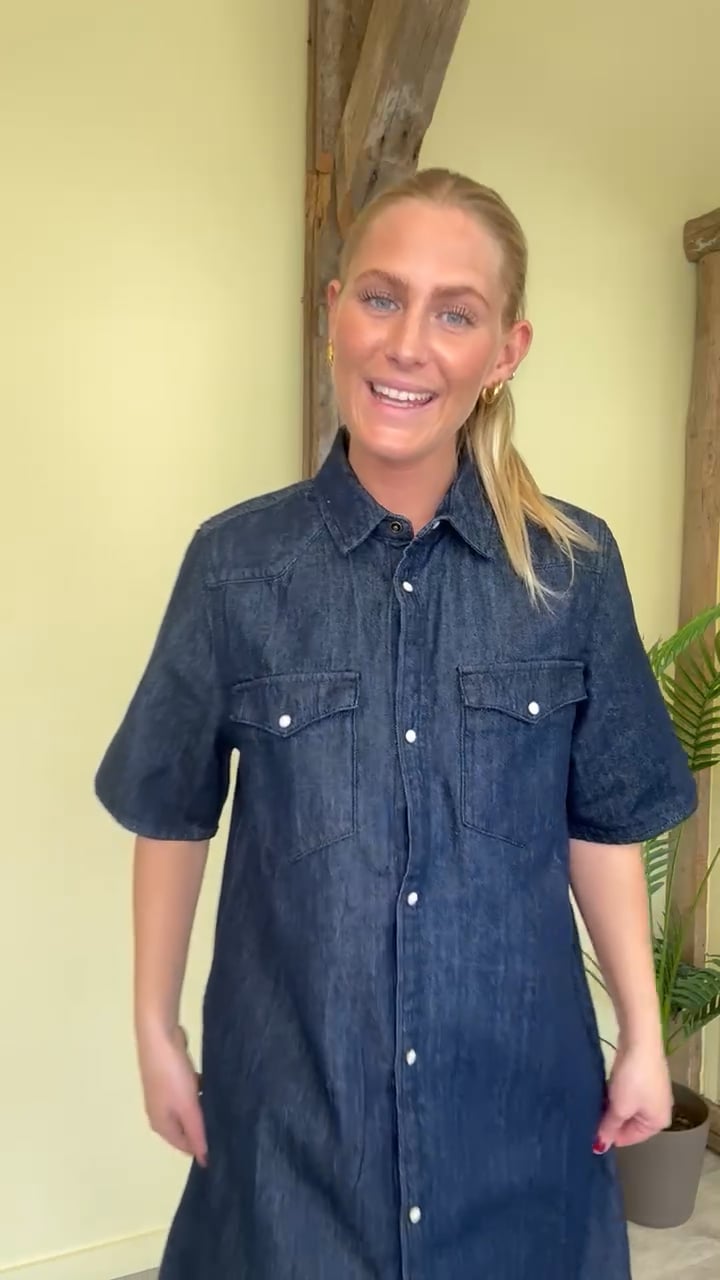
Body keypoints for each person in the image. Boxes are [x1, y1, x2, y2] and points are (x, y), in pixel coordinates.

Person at [95, 168, 696, 1279]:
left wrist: (646, 1039)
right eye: (381, 297)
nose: (408, 344)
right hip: (294, 1121)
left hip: (518, 1110)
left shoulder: (572, 569)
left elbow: (602, 825)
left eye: (455, 314)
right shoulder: (235, 566)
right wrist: (155, 1027)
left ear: (506, 350)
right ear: (334, 311)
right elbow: (172, 812)